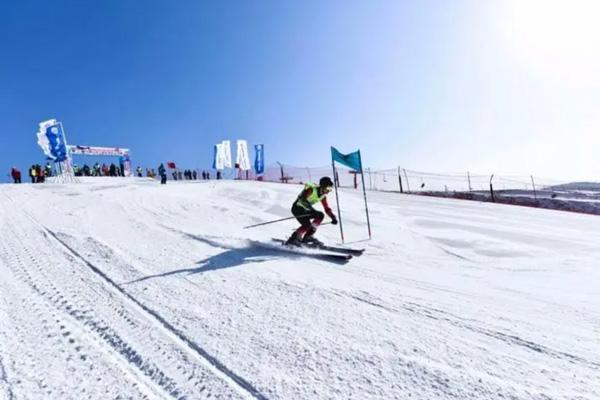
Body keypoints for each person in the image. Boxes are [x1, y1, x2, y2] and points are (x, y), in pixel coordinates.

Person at [286, 176, 338, 246]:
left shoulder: (323, 196)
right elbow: (303, 200)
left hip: (306, 210)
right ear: (322, 186)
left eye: (330, 188)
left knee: (320, 215)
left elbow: (327, 208)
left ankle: (308, 237)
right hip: (297, 209)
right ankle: (294, 238)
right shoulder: (311, 190)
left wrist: (333, 217)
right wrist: (312, 210)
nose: (329, 191)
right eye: (328, 188)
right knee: (307, 225)